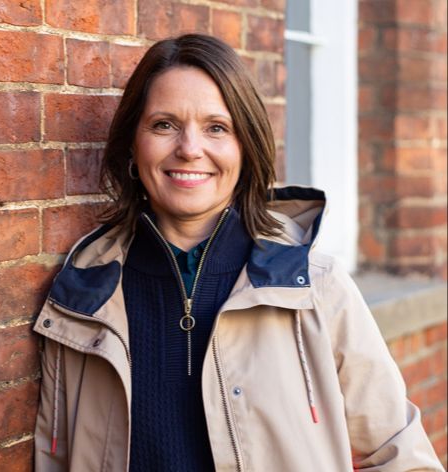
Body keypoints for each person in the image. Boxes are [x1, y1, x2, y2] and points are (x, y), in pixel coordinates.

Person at [32, 34, 442, 471]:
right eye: (164, 125)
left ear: (245, 147)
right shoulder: (84, 298)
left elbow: (402, 457)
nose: (190, 149)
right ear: (134, 144)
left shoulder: (315, 286)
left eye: (217, 128)